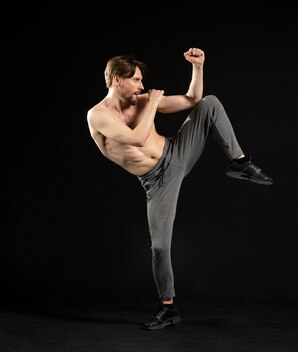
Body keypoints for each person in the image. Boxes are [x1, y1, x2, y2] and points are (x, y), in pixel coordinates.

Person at [86, 48, 273, 330]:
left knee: (209, 103)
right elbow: (136, 139)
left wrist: (198, 67)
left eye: (140, 81)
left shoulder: (141, 100)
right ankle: (168, 308)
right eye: (135, 80)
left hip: (177, 152)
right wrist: (151, 103)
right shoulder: (98, 116)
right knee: (160, 247)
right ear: (115, 79)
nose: (141, 86)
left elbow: (192, 99)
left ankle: (240, 162)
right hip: (157, 180)